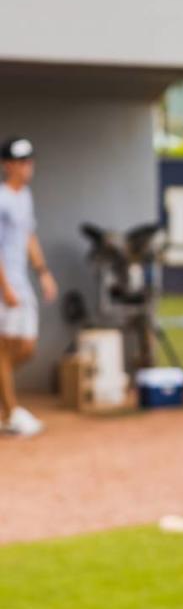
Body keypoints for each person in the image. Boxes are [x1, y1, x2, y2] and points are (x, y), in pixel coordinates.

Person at [0, 137, 57, 436]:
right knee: (4, 350)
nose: (27, 167)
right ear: (7, 165)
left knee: (25, 348)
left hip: (21, 282)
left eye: (29, 161)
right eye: (21, 162)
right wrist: (5, 287)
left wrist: (43, 272)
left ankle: (8, 410)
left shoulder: (25, 196)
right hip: (4, 285)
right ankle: (10, 415)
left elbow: (29, 237)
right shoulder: (2, 198)